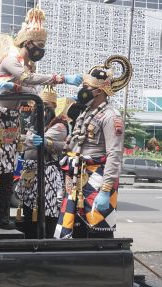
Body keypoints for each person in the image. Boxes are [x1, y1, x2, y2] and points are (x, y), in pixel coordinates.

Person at [0, 3, 82, 230]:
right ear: (27, 43)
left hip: (11, 121)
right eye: (39, 45)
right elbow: (28, 79)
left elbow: (29, 90)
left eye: (43, 45)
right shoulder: (12, 59)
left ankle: (2, 216)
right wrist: (61, 78)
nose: (41, 49)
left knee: (7, 170)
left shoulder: (28, 66)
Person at [54, 55, 133, 239]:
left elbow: (114, 154)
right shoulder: (85, 110)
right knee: (75, 229)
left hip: (97, 179)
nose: (83, 91)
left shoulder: (111, 116)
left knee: (97, 230)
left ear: (99, 91)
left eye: (87, 88)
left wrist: (106, 190)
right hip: (76, 177)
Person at [16, 86, 67, 238]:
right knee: (28, 209)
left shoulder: (59, 125)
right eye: (40, 107)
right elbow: (24, 140)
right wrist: (27, 136)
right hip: (30, 171)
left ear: (54, 107)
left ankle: (44, 241)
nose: (42, 111)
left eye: (46, 107)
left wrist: (26, 138)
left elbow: (29, 141)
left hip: (47, 172)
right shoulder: (35, 125)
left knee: (46, 211)